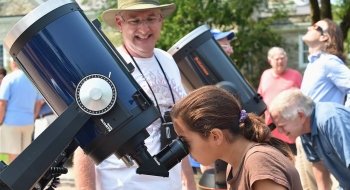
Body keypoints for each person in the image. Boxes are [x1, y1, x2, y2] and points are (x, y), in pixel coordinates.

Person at [73, 0, 196, 190]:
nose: (144, 28)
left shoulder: (167, 60)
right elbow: (84, 149)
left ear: (161, 19)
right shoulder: (107, 70)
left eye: (150, 18)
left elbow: (177, 127)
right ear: (120, 23)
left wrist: (189, 181)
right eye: (135, 21)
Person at [171, 85, 302, 190]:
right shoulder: (235, 165)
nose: (184, 150)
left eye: (185, 140)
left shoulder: (258, 162)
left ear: (216, 136)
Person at [297, 18, 350, 189]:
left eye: (315, 26)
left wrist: (344, 115)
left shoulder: (328, 62)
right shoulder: (314, 64)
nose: (309, 27)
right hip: (307, 134)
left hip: (326, 137)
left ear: (325, 37)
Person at [269, 88, 350, 190]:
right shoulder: (304, 131)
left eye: (282, 126)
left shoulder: (331, 120)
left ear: (301, 115)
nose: (280, 132)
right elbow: (318, 165)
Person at [257, 46, 302, 155]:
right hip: (271, 130)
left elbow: (304, 100)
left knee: (293, 160)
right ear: (270, 60)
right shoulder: (265, 75)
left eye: (283, 58)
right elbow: (260, 97)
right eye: (277, 59)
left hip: (290, 130)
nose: (280, 61)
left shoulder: (295, 75)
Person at [0, 59, 41, 163]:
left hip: (11, 121)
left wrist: (0, 120)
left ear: (13, 63)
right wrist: (33, 117)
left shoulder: (9, 78)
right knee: (24, 154)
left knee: (12, 154)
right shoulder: (33, 79)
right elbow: (39, 103)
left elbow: (2, 103)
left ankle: (13, 178)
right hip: (28, 122)